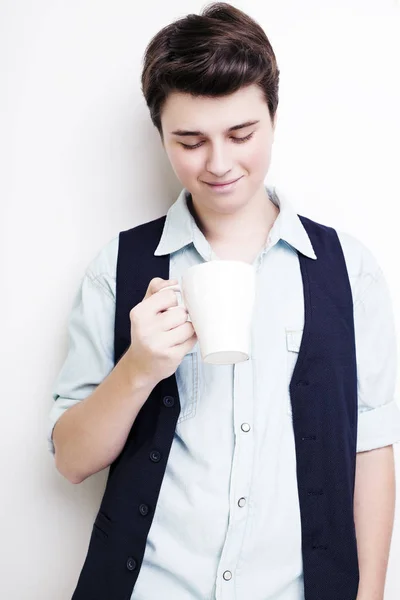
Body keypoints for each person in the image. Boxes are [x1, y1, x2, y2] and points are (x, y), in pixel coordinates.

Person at [48, 3, 400, 599]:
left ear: (273, 117)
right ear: (159, 134)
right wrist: (138, 369)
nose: (218, 164)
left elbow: (372, 446)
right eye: (189, 140)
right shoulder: (118, 267)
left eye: (241, 134)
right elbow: (71, 460)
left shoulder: (347, 269)